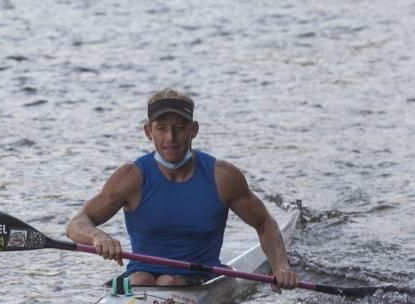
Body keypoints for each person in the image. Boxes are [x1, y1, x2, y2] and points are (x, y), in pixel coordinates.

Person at [66, 88, 300, 292]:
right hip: (142, 278)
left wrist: (281, 267)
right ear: (148, 132)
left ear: (194, 129)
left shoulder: (223, 177)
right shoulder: (130, 178)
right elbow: (76, 223)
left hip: (201, 278)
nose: (171, 137)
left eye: (179, 127)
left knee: (167, 282)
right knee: (140, 279)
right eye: (161, 129)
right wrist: (98, 236)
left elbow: (264, 223)